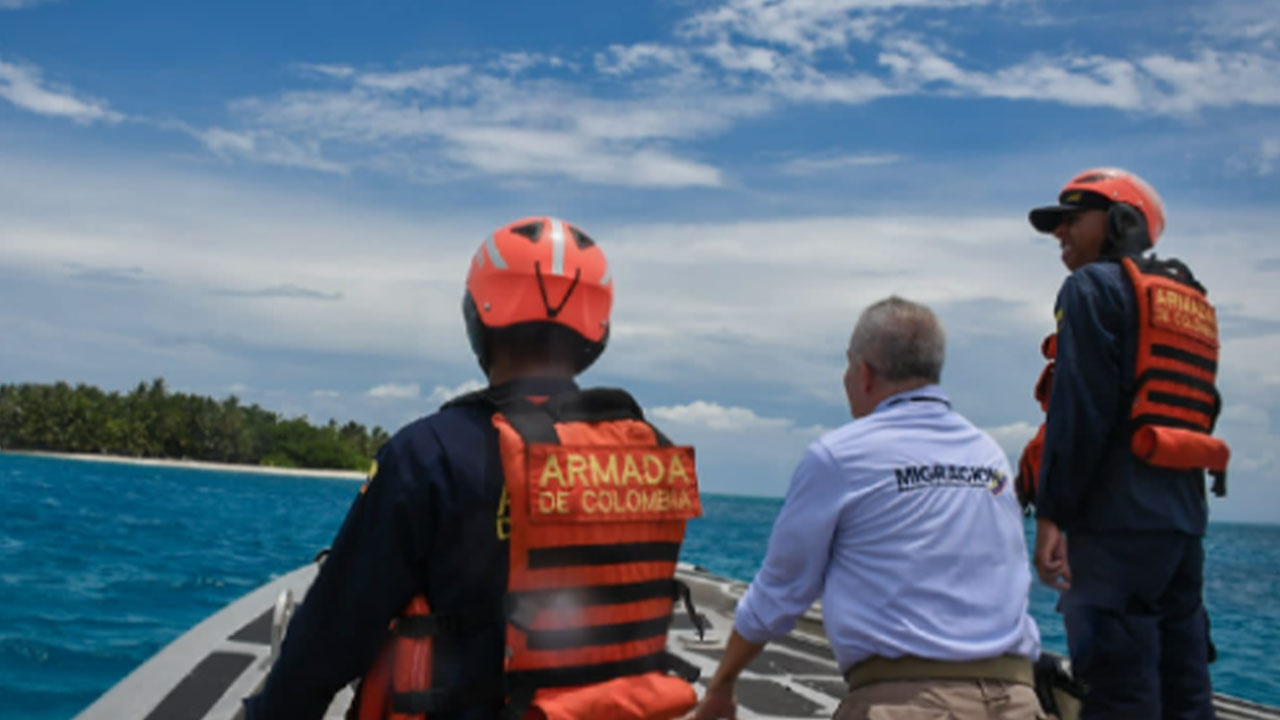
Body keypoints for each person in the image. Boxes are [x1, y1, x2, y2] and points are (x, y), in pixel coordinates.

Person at [244, 216, 704, 720]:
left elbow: (330, 638)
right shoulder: (654, 455)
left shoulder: (430, 454)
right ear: (598, 332)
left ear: (478, 317)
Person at [688, 296, 1042, 720]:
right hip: (1017, 699)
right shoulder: (988, 454)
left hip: (908, 705)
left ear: (865, 373)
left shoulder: (840, 457)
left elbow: (779, 592)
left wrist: (722, 684)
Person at [1022, 168, 1229, 719]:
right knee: (1185, 689)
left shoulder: (1091, 288)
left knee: (1116, 692)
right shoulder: (1191, 303)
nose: (1060, 232)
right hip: (1182, 527)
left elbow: (1079, 412)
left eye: (1073, 219)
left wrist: (1052, 514)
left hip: (1114, 529)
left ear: (1120, 221)